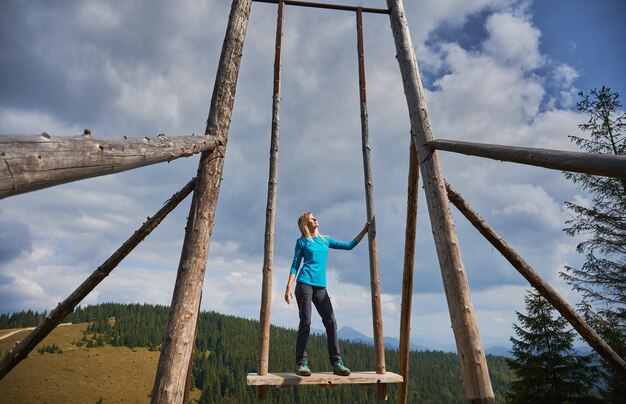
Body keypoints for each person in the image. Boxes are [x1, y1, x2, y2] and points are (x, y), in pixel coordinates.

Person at [284, 211, 369, 377]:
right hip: (304, 284)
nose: (316, 219)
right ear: (305, 224)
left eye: (315, 217)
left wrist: (365, 230)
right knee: (306, 322)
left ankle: (337, 363)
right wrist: (288, 286)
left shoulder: (325, 240)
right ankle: (301, 364)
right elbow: (295, 264)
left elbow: (349, 245)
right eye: (312, 218)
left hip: (321, 287)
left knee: (331, 321)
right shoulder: (302, 242)